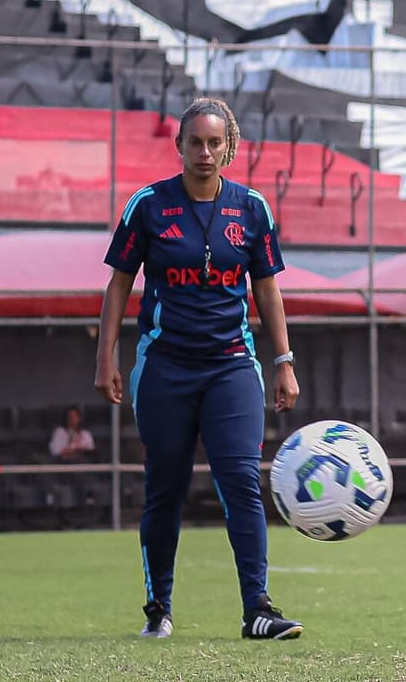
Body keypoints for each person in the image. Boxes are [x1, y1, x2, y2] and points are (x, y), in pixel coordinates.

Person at [94, 97, 303, 640]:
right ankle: (157, 607)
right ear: (180, 145)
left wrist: (283, 361)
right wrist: (107, 357)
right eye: (195, 142)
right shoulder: (147, 205)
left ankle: (257, 608)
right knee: (166, 487)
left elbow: (267, 289)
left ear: (228, 147)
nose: (205, 152)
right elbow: (119, 284)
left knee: (240, 481)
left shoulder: (252, 208)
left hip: (232, 365)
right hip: (164, 367)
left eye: (215, 143)